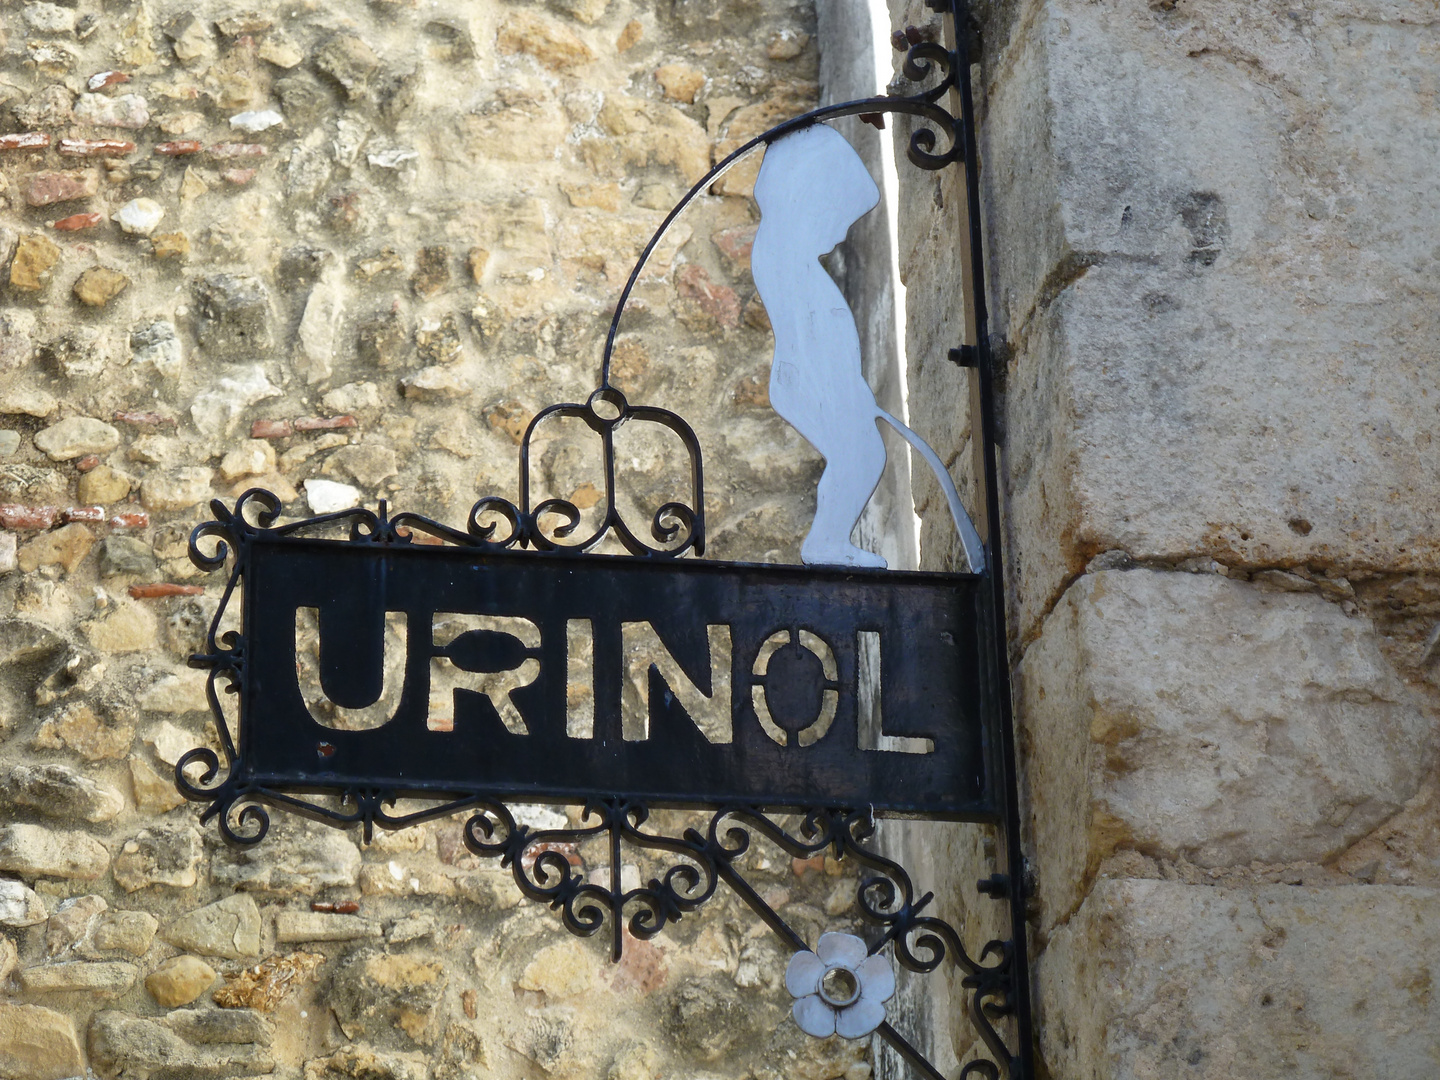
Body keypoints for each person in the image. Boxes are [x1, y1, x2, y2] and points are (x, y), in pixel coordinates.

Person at [750, 124, 985, 572]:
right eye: (835, 220)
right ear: (805, 203)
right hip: (810, 379)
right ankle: (825, 543)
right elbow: (809, 339)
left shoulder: (790, 262)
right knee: (860, 455)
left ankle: (828, 539)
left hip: (822, 379)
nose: (840, 235)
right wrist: (846, 386)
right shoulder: (782, 259)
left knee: (858, 455)